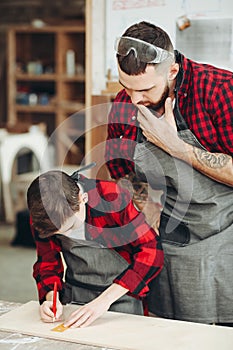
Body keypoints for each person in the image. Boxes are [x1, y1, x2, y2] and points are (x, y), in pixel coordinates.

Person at [104, 21, 233, 325]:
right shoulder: (125, 105)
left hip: (225, 237)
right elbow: (120, 170)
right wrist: (144, 201)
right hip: (169, 238)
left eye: (145, 89)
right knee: (170, 330)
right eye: (127, 87)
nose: (135, 99)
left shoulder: (220, 91)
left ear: (172, 71)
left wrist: (176, 147)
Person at [27, 166, 163, 328]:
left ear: (82, 198)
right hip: (76, 292)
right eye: (61, 234)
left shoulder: (111, 197)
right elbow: (47, 263)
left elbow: (151, 251)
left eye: (71, 227)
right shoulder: (43, 217)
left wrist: (103, 301)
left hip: (121, 295)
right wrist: (51, 298)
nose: (69, 235)